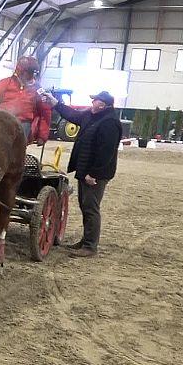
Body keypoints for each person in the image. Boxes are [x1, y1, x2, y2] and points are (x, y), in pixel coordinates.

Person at [41, 90, 122, 258]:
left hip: (95, 174)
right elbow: (73, 115)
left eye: (95, 101)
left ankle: (91, 246)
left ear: (102, 104)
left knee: (91, 208)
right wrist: (55, 102)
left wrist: (93, 173)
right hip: (84, 170)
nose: (92, 103)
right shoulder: (92, 116)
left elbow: (105, 152)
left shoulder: (110, 123)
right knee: (85, 206)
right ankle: (86, 241)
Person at [0, 55, 52, 146]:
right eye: (28, 73)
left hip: (23, 123)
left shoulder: (38, 90)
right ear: (20, 72)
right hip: (1, 120)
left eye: (32, 73)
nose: (31, 76)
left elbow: (45, 112)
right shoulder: (5, 83)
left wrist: (42, 135)